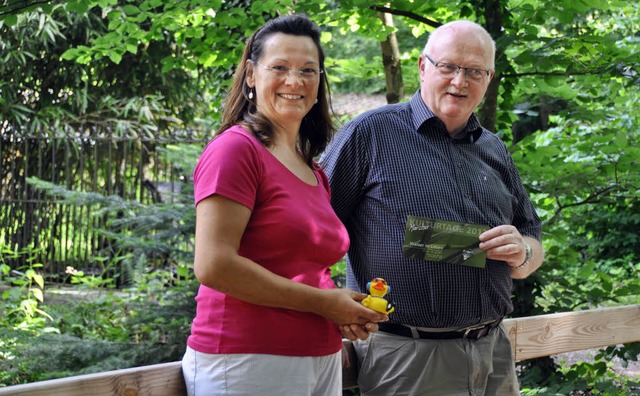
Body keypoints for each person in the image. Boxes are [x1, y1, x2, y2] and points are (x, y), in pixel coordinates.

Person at [321, 20, 544, 395]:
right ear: (423, 67)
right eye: (449, 67)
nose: (460, 81)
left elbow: (532, 241)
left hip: (494, 352)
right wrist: (327, 302)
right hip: (407, 355)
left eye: (474, 71)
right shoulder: (370, 133)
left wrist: (522, 252)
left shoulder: (494, 149)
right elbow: (308, 231)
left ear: (488, 78)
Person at [181, 14, 387, 396]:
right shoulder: (235, 150)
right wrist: (326, 304)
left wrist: (344, 313)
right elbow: (213, 264)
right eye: (280, 68)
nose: (295, 81)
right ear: (250, 75)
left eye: (308, 70)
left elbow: (307, 270)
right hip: (247, 359)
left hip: (320, 358)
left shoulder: (312, 169)